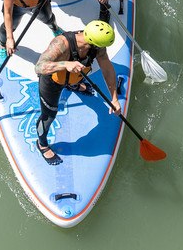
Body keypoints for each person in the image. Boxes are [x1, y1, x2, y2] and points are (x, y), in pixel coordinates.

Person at [32, 20, 121, 164]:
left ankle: (72, 85)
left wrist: (114, 98)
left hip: (73, 77)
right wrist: (65, 64)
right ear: (93, 41)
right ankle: (41, 144)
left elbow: (107, 68)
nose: (103, 48)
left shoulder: (97, 46)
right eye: (102, 46)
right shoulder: (61, 44)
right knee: (48, 116)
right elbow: (39, 67)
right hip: (52, 81)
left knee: (77, 73)